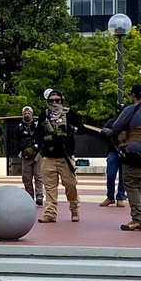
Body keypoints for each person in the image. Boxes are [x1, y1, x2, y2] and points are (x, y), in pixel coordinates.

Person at [105, 84, 141, 231]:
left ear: (133, 96)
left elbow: (116, 128)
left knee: (132, 186)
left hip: (134, 156)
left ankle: (137, 219)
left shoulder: (132, 109)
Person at [34, 89, 86, 223]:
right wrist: (42, 146)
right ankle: (50, 213)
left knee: (70, 185)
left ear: (62, 101)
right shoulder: (44, 115)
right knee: (49, 187)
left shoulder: (70, 114)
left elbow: (82, 129)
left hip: (65, 156)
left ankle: (74, 209)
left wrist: (71, 129)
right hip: (48, 156)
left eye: (57, 100)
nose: (55, 103)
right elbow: (37, 134)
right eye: (51, 101)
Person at [14, 106, 44, 206]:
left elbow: (42, 139)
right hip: (25, 155)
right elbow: (16, 141)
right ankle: (29, 196)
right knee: (26, 178)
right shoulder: (19, 127)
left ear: (32, 114)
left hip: (37, 156)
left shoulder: (38, 126)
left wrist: (34, 148)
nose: (27, 115)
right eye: (25, 113)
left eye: (28, 113)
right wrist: (24, 149)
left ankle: (39, 196)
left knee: (38, 177)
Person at [99, 106, 127, 207]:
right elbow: (101, 136)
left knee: (123, 176)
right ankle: (110, 197)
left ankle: (120, 197)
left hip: (125, 151)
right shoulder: (110, 122)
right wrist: (104, 132)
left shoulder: (129, 123)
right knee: (110, 175)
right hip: (113, 151)